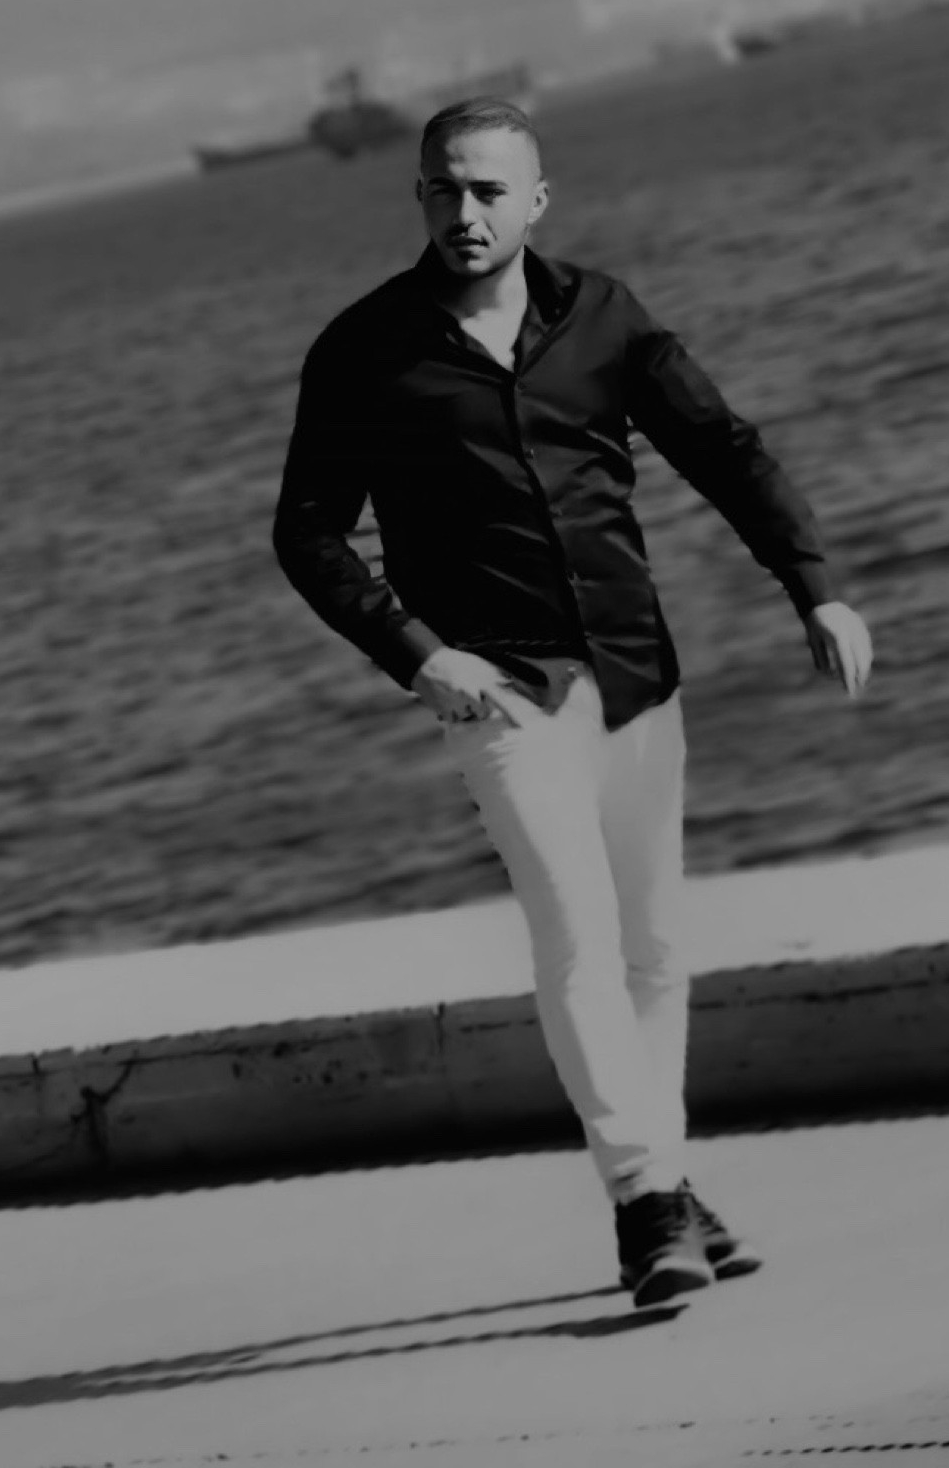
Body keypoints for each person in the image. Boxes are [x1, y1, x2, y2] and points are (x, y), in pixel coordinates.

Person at [272, 96, 873, 1308]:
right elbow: (310, 532)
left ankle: (670, 1184)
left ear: (536, 200)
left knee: (654, 950)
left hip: (637, 672)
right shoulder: (366, 349)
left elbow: (724, 447)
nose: (466, 211)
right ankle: (646, 1203)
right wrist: (418, 653)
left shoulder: (603, 316)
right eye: (444, 189)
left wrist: (814, 587)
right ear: (420, 197)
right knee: (577, 943)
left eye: (490, 190)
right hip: (505, 696)